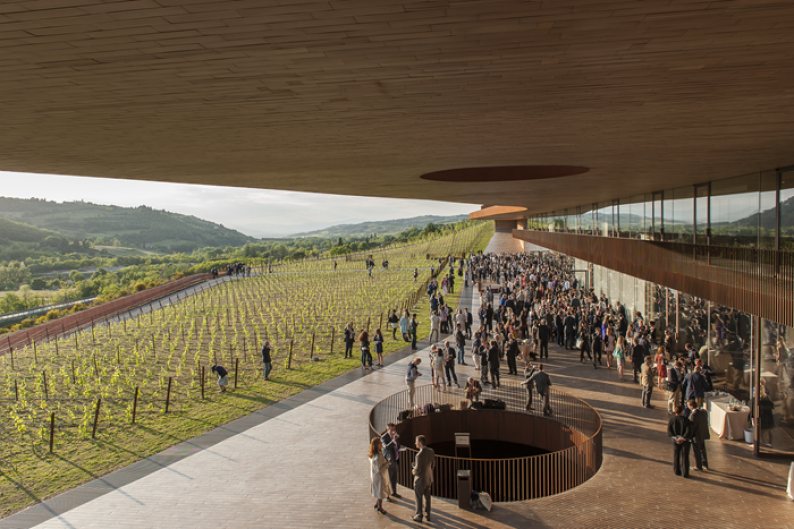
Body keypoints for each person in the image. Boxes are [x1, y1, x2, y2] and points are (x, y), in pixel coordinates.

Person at [412, 435, 435, 523]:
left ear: (420, 443)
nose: (415, 443)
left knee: (418, 498)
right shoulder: (431, 451)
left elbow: (417, 470)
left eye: (416, 442)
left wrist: (413, 470)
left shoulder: (419, 455)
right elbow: (433, 465)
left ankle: (418, 515)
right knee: (427, 498)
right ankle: (427, 514)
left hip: (420, 480)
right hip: (428, 478)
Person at [667, 403, 691, 478]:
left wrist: (675, 437)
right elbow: (689, 430)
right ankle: (685, 472)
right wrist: (683, 438)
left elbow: (669, 431)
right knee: (685, 456)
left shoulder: (672, 420)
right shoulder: (686, 420)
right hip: (685, 441)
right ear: (682, 411)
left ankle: (677, 470)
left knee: (676, 455)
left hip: (676, 440)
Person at [368, 437, 391, 515]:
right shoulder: (377, 456)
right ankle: (380, 507)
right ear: (376, 445)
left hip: (375, 476)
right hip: (379, 477)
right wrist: (387, 464)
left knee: (378, 491)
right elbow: (379, 469)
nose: (381, 444)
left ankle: (377, 504)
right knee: (380, 492)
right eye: (380, 443)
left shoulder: (373, 454)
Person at [380, 423, 402, 501]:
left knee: (394, 478)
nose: (393, 431)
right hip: (388, 461)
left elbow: (398, 445)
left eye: (394, 429)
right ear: (388, 429)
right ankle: (386, 495)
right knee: (387, 478)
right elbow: (386, 447)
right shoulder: (383, 437)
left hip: (395, 460)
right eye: (392, 430)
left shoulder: (395, 436)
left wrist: (399, 445)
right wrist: (393, 441)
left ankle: (394, 492)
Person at [687, 399, 709, 471]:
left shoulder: (694, 414)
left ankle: (698, 466)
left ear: (691, 406)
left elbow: (692, 426)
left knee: (696, 451)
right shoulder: (703, 412)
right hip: (703, 433)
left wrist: (689, 436)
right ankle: (705, 464)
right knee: (703, 449)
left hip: (696, 435)